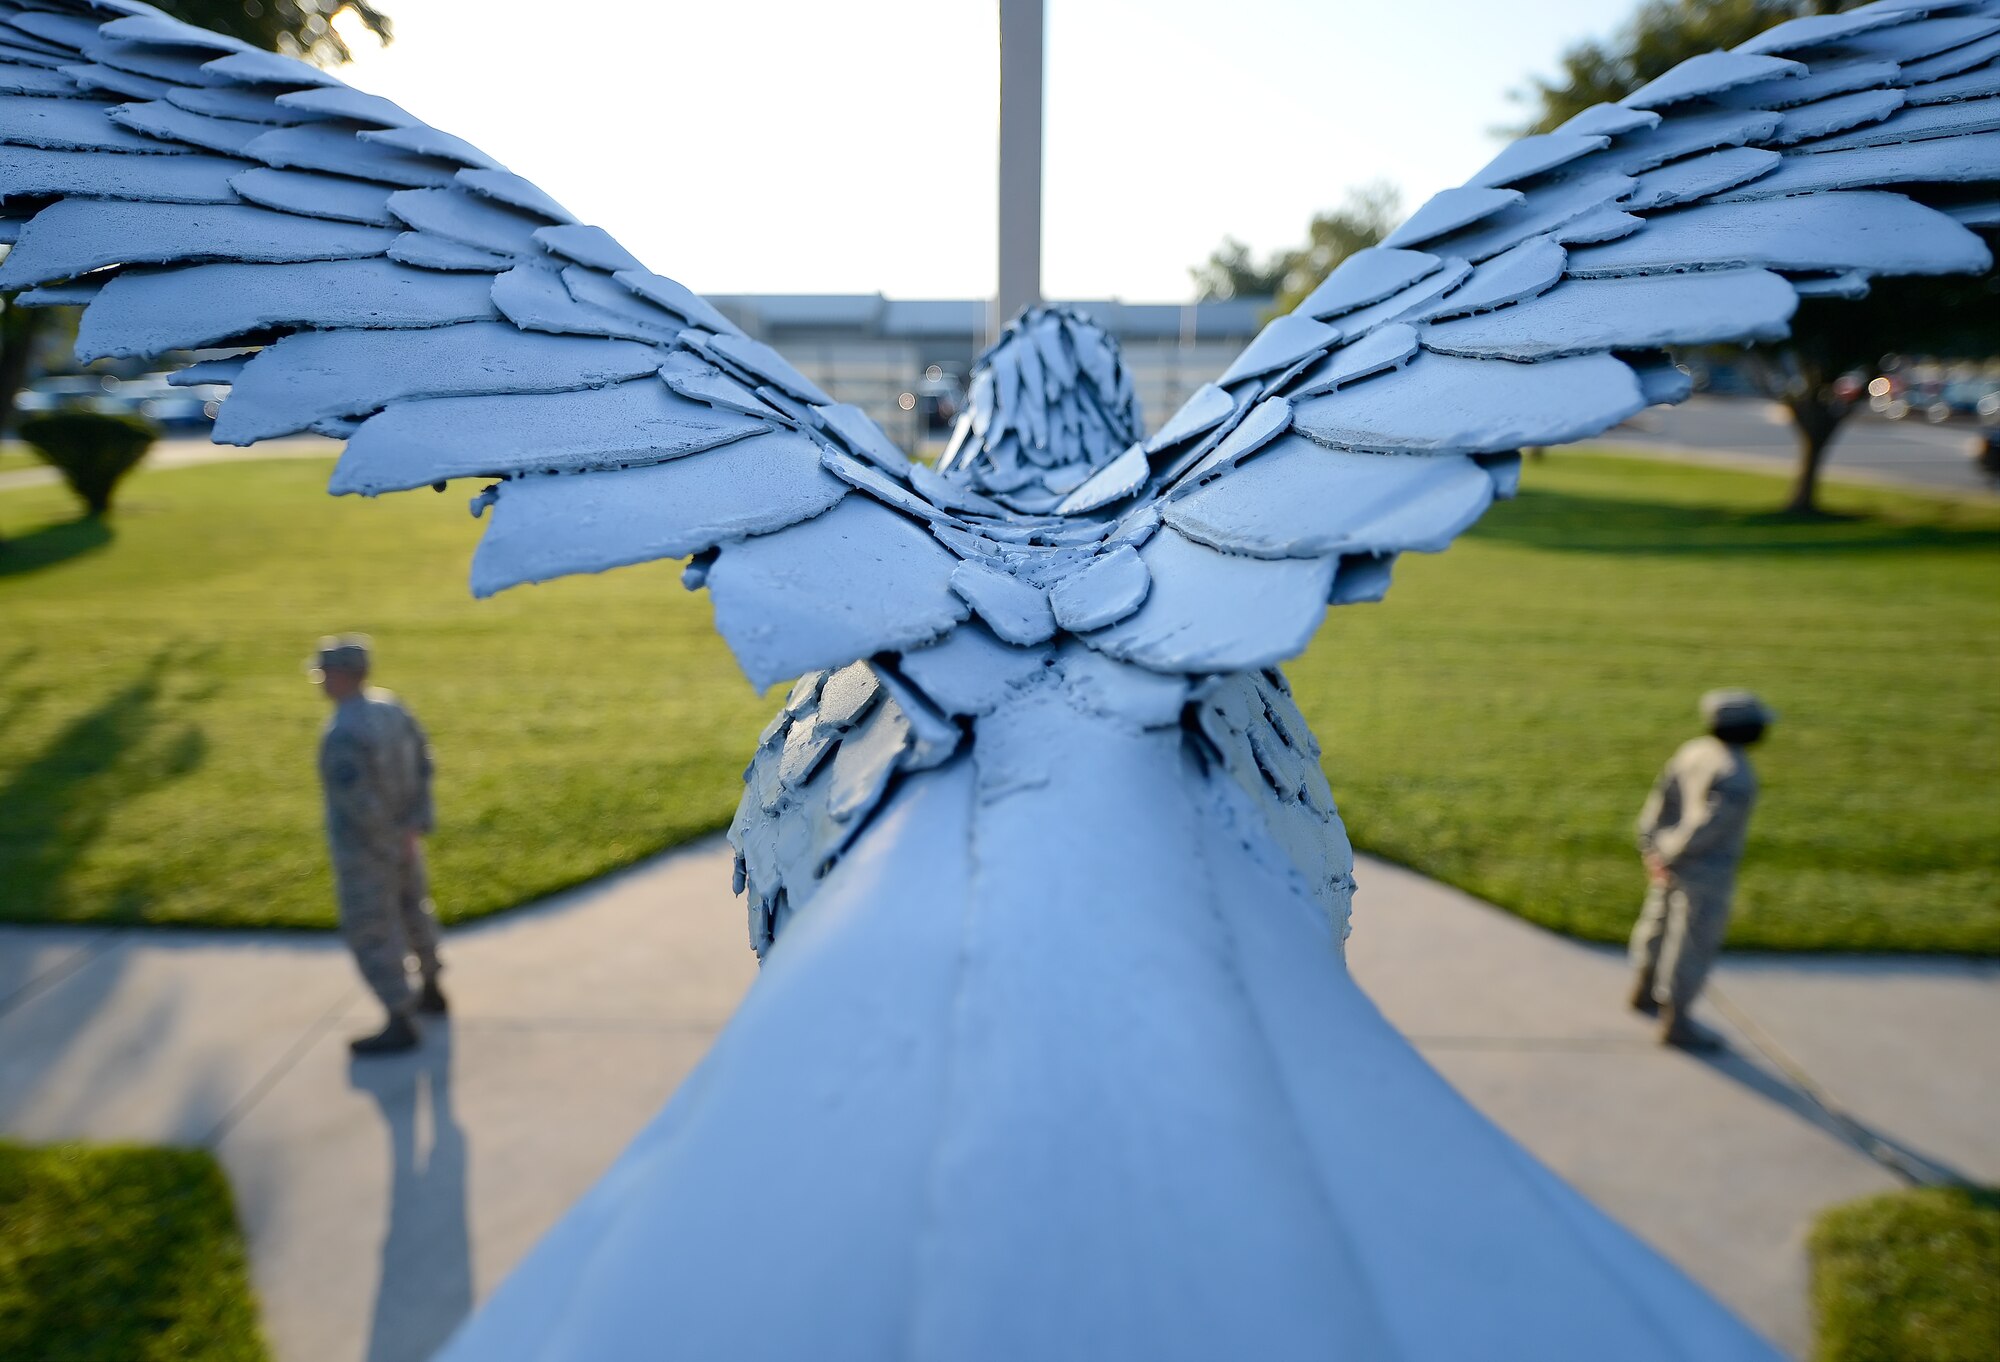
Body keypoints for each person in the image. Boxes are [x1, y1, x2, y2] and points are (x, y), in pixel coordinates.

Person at [310, 634, 447, 1055]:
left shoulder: (341, 733)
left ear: (342, 676)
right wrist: (413, 828)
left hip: (368, 855)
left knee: (372, 930)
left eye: (325, 674)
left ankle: (399, 1016)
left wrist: (388, 842)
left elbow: (358, 804)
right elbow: (425, 762)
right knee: (414, 912)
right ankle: (431, 987)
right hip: (406, 841)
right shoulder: (391, 708)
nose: (320, 682)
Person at [1627, 689, 1774, 1050]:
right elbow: (1707, 828)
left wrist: (1654, 849)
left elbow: (1661, 800)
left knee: (1657, 925)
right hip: (1702, 871)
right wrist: (1673, 856)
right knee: (1692, 943)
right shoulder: (1736, 774)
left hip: (1666, 858)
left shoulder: (1694, 750)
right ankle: (1677, 1023)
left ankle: (1643, 991)